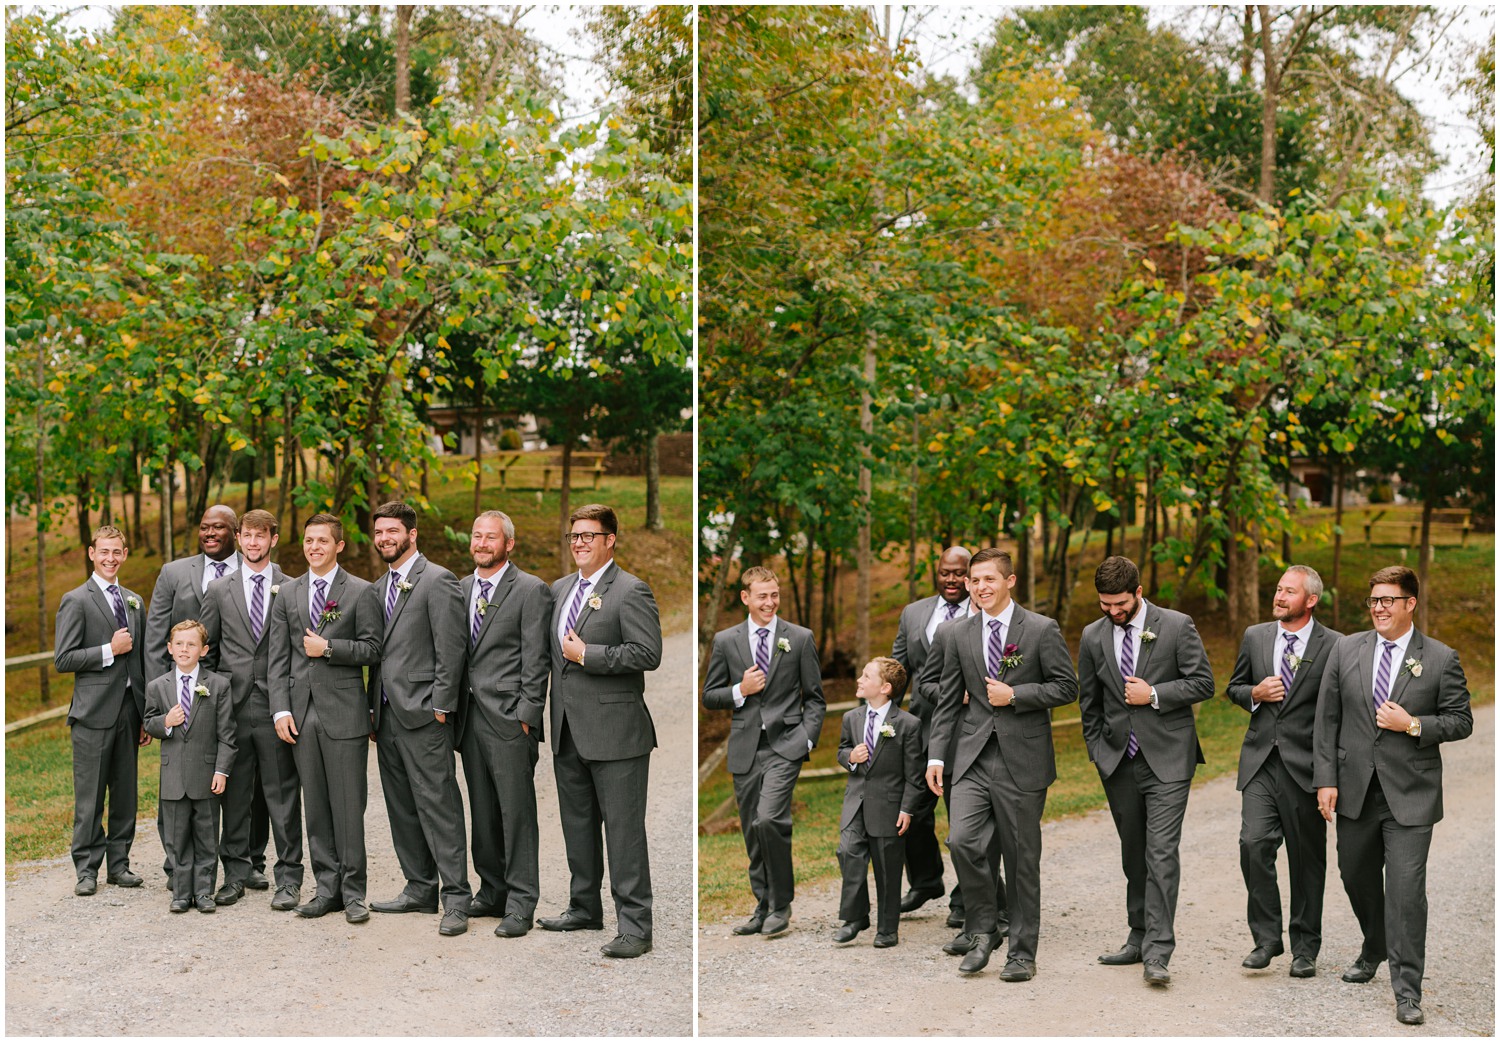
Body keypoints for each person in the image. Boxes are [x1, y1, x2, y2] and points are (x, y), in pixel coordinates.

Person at [1313, 565, 1473, 1026]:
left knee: (1405, 893)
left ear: (1410, 605)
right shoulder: (1346, 649)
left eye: (1388, 600)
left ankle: (1407, 991)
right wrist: (1326, 779)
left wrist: (1415, 725)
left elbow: (1462, 721)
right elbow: (1327, 719)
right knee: (1353, 874)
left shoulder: (1441, 658)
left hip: (1411, 795)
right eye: (1374, 600)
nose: (1379, 608)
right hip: (1356, 791)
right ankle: (1375, 944)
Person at [924, 548, 1077, 982]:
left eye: (989, 579)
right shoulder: (955, 633)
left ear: (1010, 581)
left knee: (1021, 858)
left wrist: (1018, 696)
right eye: (975, 580)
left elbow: (1067, 687)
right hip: (971, 755)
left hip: (1022, 759)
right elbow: (949, 701)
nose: (980, 587)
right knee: (963, 841)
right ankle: (983, 931)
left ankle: (1022, 954)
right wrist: (937, 755)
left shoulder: (1041, 629)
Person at [1077, 555, 1213, 987]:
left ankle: (1158, 951)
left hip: (1169, 758)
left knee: (1159, 853)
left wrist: (1154, 692)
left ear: (1138, 593)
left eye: (1120, 604)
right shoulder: (1092, 636)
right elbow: (1089, 702)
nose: (1113, 613)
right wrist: (1098, 752)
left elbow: (1203, 683)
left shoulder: (1176, 625)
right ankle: (1137, 936)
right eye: (1105, 605)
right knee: (1133, 852)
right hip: (1118, 760)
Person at [541, 504, 663, 958]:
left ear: (610, 540)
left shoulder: (631, 590)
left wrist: (588, 655)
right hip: (567, 728)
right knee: (577, 825)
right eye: (575, 535)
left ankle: (635, 927)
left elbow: (647, 653)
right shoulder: (559, 589)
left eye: (589, 535)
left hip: (617, 731)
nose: (579, 543)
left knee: (624, 832)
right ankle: (584, 906)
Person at [145, 504, 271, 890]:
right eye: (204, 527)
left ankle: (250, 859)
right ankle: (178, 867)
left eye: (220, 527)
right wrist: (162, 701)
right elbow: (155, 641)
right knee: (181, 781)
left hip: (237, 693)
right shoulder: (174, 572)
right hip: (183, 699)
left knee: (248, 783)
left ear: (236, 532)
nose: (210, 533)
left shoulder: (254, 570)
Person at [267, 513, 382, 924]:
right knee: (314, 807)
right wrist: (280, 708)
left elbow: (372, 649)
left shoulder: (361, 591)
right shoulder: (287, 592)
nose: (314, 547)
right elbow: (276, 657)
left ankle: (354, 894)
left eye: (322, 540)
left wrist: (330, 649)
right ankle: (326, 889)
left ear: (339, 546)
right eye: (309, 540)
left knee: (348, 806)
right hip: (300, 714)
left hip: (344, 712)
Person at [1225, 565, 1340, 978]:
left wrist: (1330, 775)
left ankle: (1305, 948)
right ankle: (1267, 937)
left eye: (1289, 592)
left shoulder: (1336, 646)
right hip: (1259, 762)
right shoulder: (1256, 636)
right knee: (1252, 844)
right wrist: (1254, 693)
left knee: (1307, 860)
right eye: (1278, 589)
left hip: (1307, 768)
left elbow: (1338, 713)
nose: (1278, 596)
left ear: (1310, 600)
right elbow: (1235, 686)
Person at [366, 501, 472, 937]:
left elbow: (452, 648)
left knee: (438, 804)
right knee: (402, 807)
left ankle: (456, 898)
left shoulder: (438, 580)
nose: (384, 538)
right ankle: (420, 887)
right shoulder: (377, 588)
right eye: (379, 532)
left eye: (393, 531)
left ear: (412, 534)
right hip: (386, 714)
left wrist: (441, 706)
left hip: (426, 712)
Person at [701, 565, 825, 937]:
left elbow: (815, 699)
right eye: (762, 596)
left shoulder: (799, 638)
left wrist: (805, 739)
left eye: (774, 595)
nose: (770, 602)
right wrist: (741, 689)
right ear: (745, 597)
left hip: (785, 745)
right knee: (752, 830)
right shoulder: (726, 641)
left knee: (770, 819)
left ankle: (781, 904)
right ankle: (762, 904)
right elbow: (710, 696)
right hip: (745, 747)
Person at [455, 510, 553, 938]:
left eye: (490, 537)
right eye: (477, 536)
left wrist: (527, 716)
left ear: (508, 544)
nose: (481, 543)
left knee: (516, 813)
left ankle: (520, 901)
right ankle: (491, 890)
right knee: (482, 810)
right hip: (469, 718)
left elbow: (536, 659)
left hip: (511, 719)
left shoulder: (531, 590)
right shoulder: (458, 589)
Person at [200, 509, 302, 911]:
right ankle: (236, 874)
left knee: (282, 795)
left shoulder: (292, 587)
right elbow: (207, 652)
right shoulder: (219, 590)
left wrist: (288, 703)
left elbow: (295, 651)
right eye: (248, 536)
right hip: (234, 708)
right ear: (239, 539)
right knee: (236, 797)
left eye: (262, 536)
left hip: (278, 707)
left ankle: (289, 879)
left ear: (273, 539)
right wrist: (214, 700)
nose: (254, 543)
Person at [53, 525, 149, 896]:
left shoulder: (134, 600)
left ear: (124, 555)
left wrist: (143, 712)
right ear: (92, 553)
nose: (111, 558)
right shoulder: (76, 599)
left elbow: (139, 660)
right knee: (90, 796)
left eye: (117, 552)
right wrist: (109, 649)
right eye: (103, 551)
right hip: (92, 713)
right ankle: (87, 869)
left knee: (125, 794)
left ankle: (119, 865)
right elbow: (64, 658)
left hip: (128, 711)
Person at [889, 546, 970, 918]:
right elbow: (899, 670)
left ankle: (966, 896)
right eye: (945, 572)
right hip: (921, 728)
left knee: (963, 819)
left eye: (959, 572)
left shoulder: (982, 611)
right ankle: (925, 881)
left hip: (967, 731)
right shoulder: (914, 613)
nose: (951, 579)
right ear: (936, 573)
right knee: (910, 810)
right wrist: (883, 720)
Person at [142, 620, 234, 913]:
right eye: (179, 644)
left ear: (203, 650)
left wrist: (221, 770)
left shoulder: (218, 685)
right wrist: (165, 723)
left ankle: (204, 892)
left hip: (206, 774)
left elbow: (228, 735)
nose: (184, 649)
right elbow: (149, 722)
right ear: (170, 649)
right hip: (173, 775)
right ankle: (181, 892)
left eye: (191, 644)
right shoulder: (158, 686)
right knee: (176, 836)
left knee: (207, 836)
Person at [833, 657, 925, 948]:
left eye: (866, 676)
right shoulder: (851, 718)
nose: (859, 679)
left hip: (889, 806)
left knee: (887, 867)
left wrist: (907, 808)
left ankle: (887, 929)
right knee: (847, 852)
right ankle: (857, 916)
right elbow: (842, 750)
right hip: (855, 803)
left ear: (885, 687)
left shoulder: (908, 724)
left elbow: (915, 775)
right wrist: (850, 757)